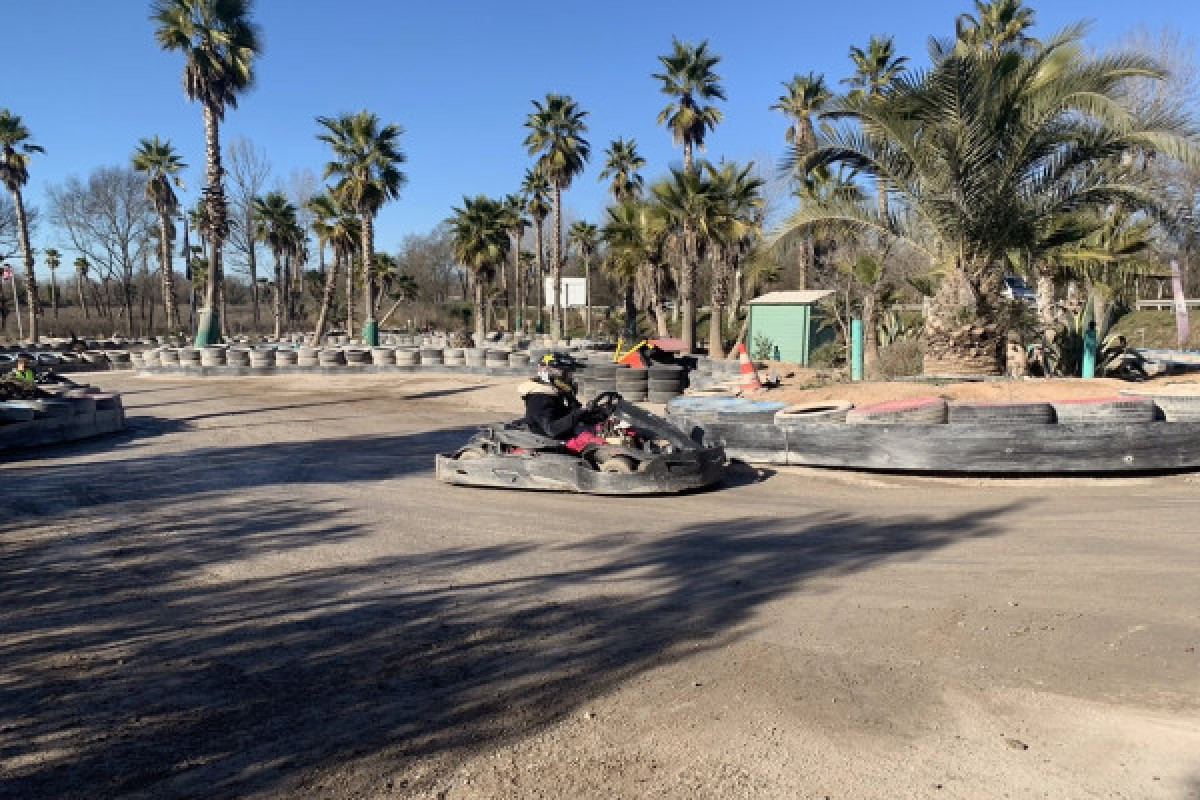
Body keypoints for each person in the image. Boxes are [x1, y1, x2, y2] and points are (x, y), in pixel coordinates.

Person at [518, 353, 605, 453]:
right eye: (567, 374)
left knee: (600, 429)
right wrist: (580, 412)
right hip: (549, 441)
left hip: (566, 432)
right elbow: (552, 429)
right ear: (549, 372)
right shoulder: (539, 397)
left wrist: (598, 413)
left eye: (570, 374)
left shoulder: (558, 392)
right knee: (592, 441)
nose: (570, 378)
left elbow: (574, 411)